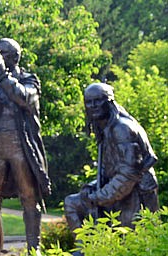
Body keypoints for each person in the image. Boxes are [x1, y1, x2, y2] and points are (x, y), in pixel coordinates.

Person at [0, 38, 51, 251]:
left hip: (21, 148)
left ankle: (34, 249)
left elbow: (23, 98)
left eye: (2, 53)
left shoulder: (29, 80)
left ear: (14, 58)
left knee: (29, 196)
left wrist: (3, 76)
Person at [64, 82, 159, 232]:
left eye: (98, 100)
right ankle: (86, 251)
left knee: (131, 241)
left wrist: (99, 196)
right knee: (73, 203)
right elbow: (108, 166)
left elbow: (129, 174)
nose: (93, 105)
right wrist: (92, 187)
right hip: (116, 189)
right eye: (89, 102)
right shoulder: (105, 128)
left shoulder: (121, 129)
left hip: (135, 193)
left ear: (109, 102)